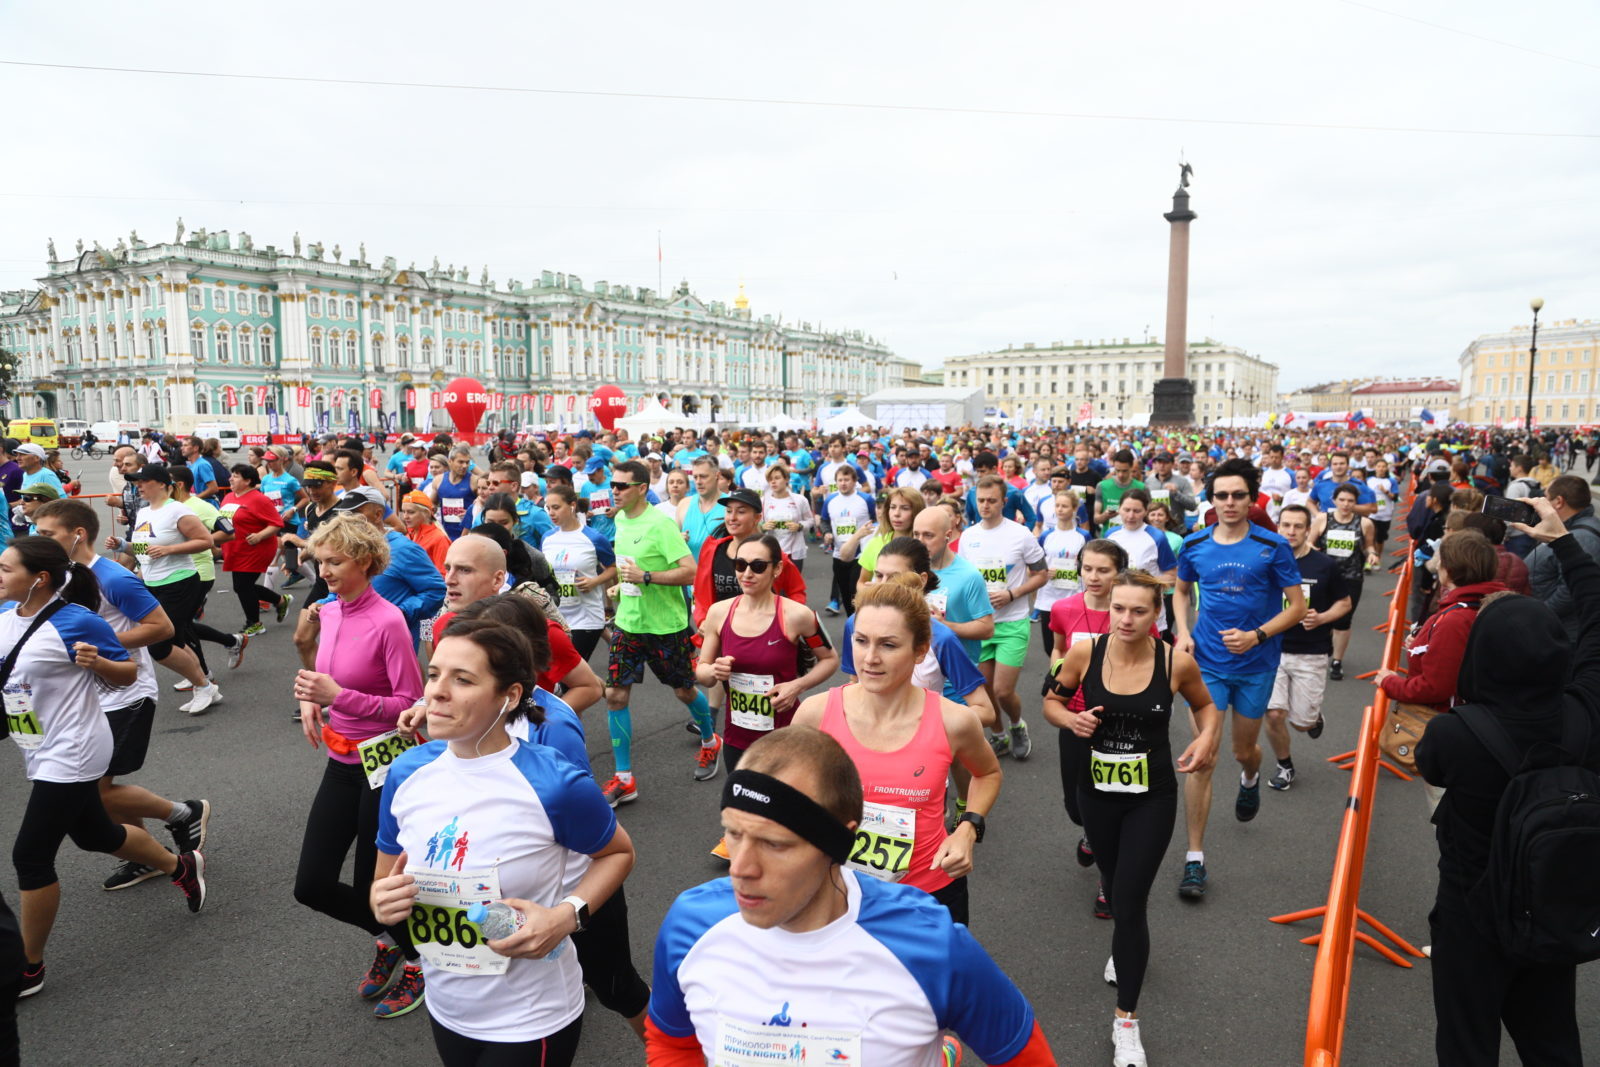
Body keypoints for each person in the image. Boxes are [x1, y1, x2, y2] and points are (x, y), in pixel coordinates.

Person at [645, 725, 1055, 1067]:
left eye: (775, 844)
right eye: (733, 834)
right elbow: (673, 1043)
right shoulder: (691, 923)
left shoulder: (931, 946)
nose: (740, 868)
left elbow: (1024, 1055)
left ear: (837, 844)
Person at [369, 616, 636, 1064]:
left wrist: (565, 917)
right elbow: (384, 879)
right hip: (447, 1006)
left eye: (463, 679)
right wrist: (382, 902)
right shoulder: (406, 773)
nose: (436, 691)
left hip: (532, 1015)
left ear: (509, 695)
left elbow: (619, 852)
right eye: (434, 674)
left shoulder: (553, 782)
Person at [1417, 496, 1600, 1066]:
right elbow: (1597, 615)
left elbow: (1430, 767)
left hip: (1473, 911)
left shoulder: (1457, 734)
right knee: (1551, 1040)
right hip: (1550, 898)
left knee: (1467, 1043)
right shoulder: (1584, 714)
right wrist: (1564, 542)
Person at [3, 536, 206, 997]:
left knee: (30, 856)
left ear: (39, 579)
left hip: (73, 749)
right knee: (96, 834)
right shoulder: (4, 619)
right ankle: (181, 867)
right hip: (36, 743)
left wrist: (98, 662)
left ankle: (28, 967)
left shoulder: (77, 620)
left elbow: (127, 672)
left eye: (5, 569)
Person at [1042, 570, 1220, 1067]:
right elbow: (1051, 700)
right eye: (1119, 608)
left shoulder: (1175, 663)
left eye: (1139, 610)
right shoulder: (1084, 653)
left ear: (1156, 614)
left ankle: (1126, 1023)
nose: (1126, 618)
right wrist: (1070, 719)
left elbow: (1206, 709)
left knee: (1131, 898)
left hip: (1152, 796)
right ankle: (1122, 941)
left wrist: (1206, 737)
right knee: (1112, 876)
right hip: (1096, 791)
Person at [791, 580, 1002, 926]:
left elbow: (988, 773)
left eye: (888, 645)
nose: (870, 658)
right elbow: (788, 795)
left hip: (927, 892)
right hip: (835, 893)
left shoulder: (955, 721)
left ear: (920, 651)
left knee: (931, 981)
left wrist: (967, 829)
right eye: (861, 641)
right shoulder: (815, 714)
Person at [32, 498, 212, 892]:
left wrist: (104, 641)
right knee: (102, 791)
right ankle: (142, 855)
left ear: (77, 535)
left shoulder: (112, 577)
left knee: (97, 791)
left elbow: (162, 628)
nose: (37, 540)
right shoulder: (57, 577)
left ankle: (182, 813)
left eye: (47, 534)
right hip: (84, 696)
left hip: (125, 693)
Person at [292, 514, 426, 1019]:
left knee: (376, 885)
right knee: (312, 885)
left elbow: (411, 705)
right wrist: (310, 698)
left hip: (384, 765)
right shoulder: (328, 610)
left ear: (365, 562)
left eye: (335, 561)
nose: (324, 570)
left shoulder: (388, 620)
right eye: (320, 560)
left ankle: (418, 959)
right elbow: (321, 674)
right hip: (341, 758)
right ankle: (390, 940)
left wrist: (338, 695)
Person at [1172, 458, 1306, 898]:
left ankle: (1251, 778)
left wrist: (1257, 635)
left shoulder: (1272, 546)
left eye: (1238, 495)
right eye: (1222, 495)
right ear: (1211, 501)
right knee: (1203, 757)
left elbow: (1297, 607)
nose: (1230, 502)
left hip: (1256, 666)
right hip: (1206, 664)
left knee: (1242, 750)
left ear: (1253, 499)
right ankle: (1195, 860)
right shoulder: (1194, 544)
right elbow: (1179, 590)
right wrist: (1184, 633)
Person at [601, 460, 715, 806]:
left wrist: (646, 577)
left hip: (666, 626)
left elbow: (689, 572)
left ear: (641, 489)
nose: (615, 490)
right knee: (615, 696)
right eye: (613, 484)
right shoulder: (619, 519)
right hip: (629, 623)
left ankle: (711, 741)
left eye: (622, 486)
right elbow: (627, 569)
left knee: (683, 691)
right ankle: (624, 778)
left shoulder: (661, 525)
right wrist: (621, 587)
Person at [695, 533, 838, 774]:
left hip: (785, 735)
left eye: (758, 566)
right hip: (736, 737)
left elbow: (830, 659)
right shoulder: (719, 612)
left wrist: (796, 686)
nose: (747, 574)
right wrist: (713, 670)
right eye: (740, 565)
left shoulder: (797, 615)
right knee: (742, 806)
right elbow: (703, 672)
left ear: (777, 568)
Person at [103, 464, 225, 714]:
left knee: (159, 644)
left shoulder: (178, 510)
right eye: (136, 482)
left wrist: (169, 550)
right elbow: (144, 550)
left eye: (142, 481)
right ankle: (204, 685)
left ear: (161, 483)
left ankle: (203, 685)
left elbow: (207, 541)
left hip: (180, 581)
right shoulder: (146, 512)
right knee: (176, 639)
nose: (138, 486)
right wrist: (122, 545)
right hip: (152, 582)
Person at [1263, 504, 1351, 791]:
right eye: (1285, 525)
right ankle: (1284, 766)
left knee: (1301, 722)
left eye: (1297, 526)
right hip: (1272, 650)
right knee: (1274, 713)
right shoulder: (1266, 562)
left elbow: (1345, 603)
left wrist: (1322, 617)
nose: (1291, 531)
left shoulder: (1324, 564)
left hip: (1311, 652)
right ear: (1278, 527)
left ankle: (1312, 719)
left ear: (1307, 529)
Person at [958, 475, 1047, 759]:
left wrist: (1012, 593)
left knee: (1003, 690)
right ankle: (998, 735)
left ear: (1004, 502)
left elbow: (1042, 574)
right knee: (984, 690)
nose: (985, 506)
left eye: (991, 501)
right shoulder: (969, 537)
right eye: (981, 500)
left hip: (1013, 622)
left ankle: (1017, 726)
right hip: (980, 624)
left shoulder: (1020, 535)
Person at [1374, 529, 1503, 714]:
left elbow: (1435, 687)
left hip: (1440, 719)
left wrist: (1390, 682)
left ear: (1449, 569)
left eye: (1440, 559)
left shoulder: (1457, 618)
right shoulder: (1483, 603)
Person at [1309, 483, 1379, 681]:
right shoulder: (1323, 519)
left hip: (1351, 577)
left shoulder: (1365, 523)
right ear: (1334, 501)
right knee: (1322, 616)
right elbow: (1310, 542)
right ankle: (1322, 650)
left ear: (1356, 503)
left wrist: (1372, 554)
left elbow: (1369, 546)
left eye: (1350, 501)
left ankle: (1337, 661)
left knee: (1343, 619)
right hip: (1324, 576)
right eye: (1342, 500)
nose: (1346, 504)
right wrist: (1310, 548)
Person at [217, 463, 292, 637]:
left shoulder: (258, 499)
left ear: (248, 481)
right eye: (232, 475)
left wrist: (259, 535)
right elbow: (223, 522)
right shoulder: (228, 497)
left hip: (256, 548)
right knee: (244, 586)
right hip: (235, 547)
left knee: (242, 585)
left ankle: (254, 623)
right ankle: (280, 600)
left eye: (235, 476)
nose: (230, 479)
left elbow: (276, 523)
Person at [542, 485, 615, 660]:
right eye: (548, 508)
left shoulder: (593, 538)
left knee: (570, 674)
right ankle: (601, 689)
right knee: (567, 676)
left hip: (586, 617)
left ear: (572, 506)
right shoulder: (547, 538)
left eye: (556, 507)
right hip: (556, 617)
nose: (551, 513)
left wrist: (595, 581)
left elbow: (613, 567)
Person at [1524, 474, 1600, 640]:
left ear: (1558, 502)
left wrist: (1540, 614)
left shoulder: (1582, 538)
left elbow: (1569, 591)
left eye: (1546, 498)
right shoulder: (1571, 528)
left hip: (1563, 632)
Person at [1034, 490, 1088, 655]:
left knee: (1072, 647)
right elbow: (1037, 564)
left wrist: (1079, 570)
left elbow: (1090, 563)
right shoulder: (1046, 536)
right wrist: (1044, 571)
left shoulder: (1083, 536)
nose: (1060, 509)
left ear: (1074, 509)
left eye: (1064, 506)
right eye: (1057, 505)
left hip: (1074, 596)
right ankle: (1055, 679)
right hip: (1049, 598)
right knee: (1050, 649)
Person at [818, 461, 875, 617]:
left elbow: (876, 520)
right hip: (840, 554)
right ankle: (852, 624)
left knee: (855, 593)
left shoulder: (866, 499)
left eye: (847, 480)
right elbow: (824, 521)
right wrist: (826, 533)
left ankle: (860, 625)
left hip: (861, 554)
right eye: (840, 480)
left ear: (855, 481)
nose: (843, 483)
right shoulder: (830, 500)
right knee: (845, 593)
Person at [760, 464, 813, 566]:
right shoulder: (763, 501)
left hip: (794, 552)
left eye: (777, 478)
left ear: (786, 479)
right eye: (770, 479)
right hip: (771, 551)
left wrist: (799, 526)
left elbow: (810, 521)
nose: (773, 482)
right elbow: (756, 525)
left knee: (793, 582)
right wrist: (763, 527)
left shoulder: (800, 500)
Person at [1094, 450, 1145, 530]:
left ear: (1131, 467)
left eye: (1125, 471)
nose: (1121, 475)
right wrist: (1105, 515)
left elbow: (1147, 517)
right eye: (1117, 470)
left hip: (1134, 536)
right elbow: (1096, 519)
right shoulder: (1102, 486)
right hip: (1109, 538)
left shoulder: (1142, 488)